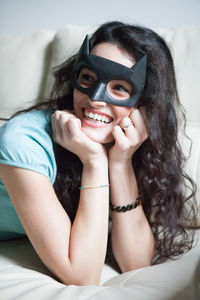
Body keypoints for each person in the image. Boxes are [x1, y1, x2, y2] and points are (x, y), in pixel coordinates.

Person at [0, 21, 198, 286]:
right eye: (88, 78)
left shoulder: (125, 145)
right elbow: (82, 275)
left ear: (145, 105)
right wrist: (93, 161)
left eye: (119, 88)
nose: (94, 99)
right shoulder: (23, 141)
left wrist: (120, 162)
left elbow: (136, 263)